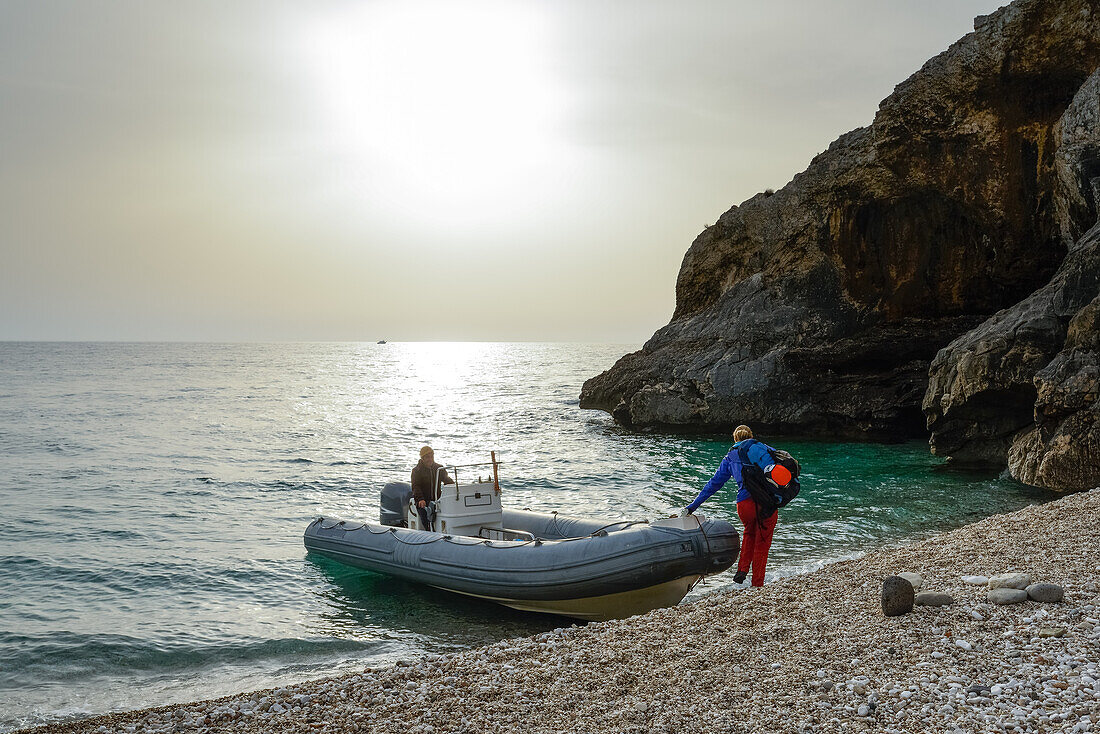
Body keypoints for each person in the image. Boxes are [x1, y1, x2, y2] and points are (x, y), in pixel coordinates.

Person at [682, 425, 779, 587]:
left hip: (744, 506)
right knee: (762, 542)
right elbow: (781, 461)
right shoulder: (762, 449)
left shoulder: (730, 457)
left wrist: (693, 506)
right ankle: (757, 583)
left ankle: (742, 570)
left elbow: (713, 484)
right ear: (751, 436)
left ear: (735, 439)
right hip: (765, 503)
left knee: (749, 533)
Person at [410, 446, 453, 530]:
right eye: (427, 457)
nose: (430, 459)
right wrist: (420, 499)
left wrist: (455, 487)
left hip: (437, 500)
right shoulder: (417, 471)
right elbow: (416, 486)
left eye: (431, 456)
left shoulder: (439, 468)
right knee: (426, 520)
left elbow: (447, 480)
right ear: (422, 458)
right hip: (423, 501)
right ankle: (427, 531)